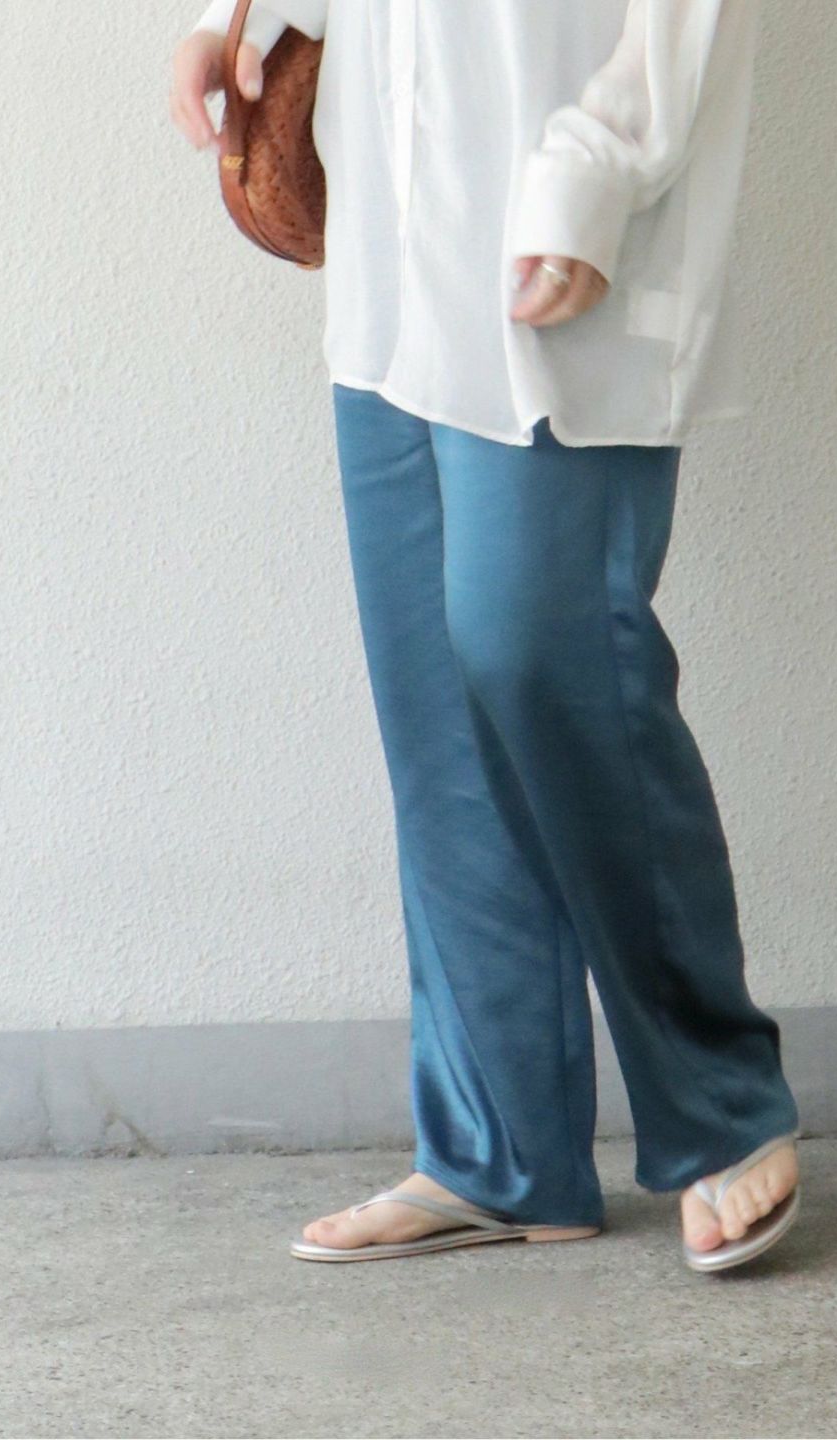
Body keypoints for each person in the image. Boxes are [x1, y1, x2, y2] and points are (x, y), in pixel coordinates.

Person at [170, 0, 802, 1274]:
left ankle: (723, 1107)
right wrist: (246, 16)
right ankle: (497, 1151)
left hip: (557, 224)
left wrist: (593, 178)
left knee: (544, 650)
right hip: (392, 239)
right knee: (434, 704)